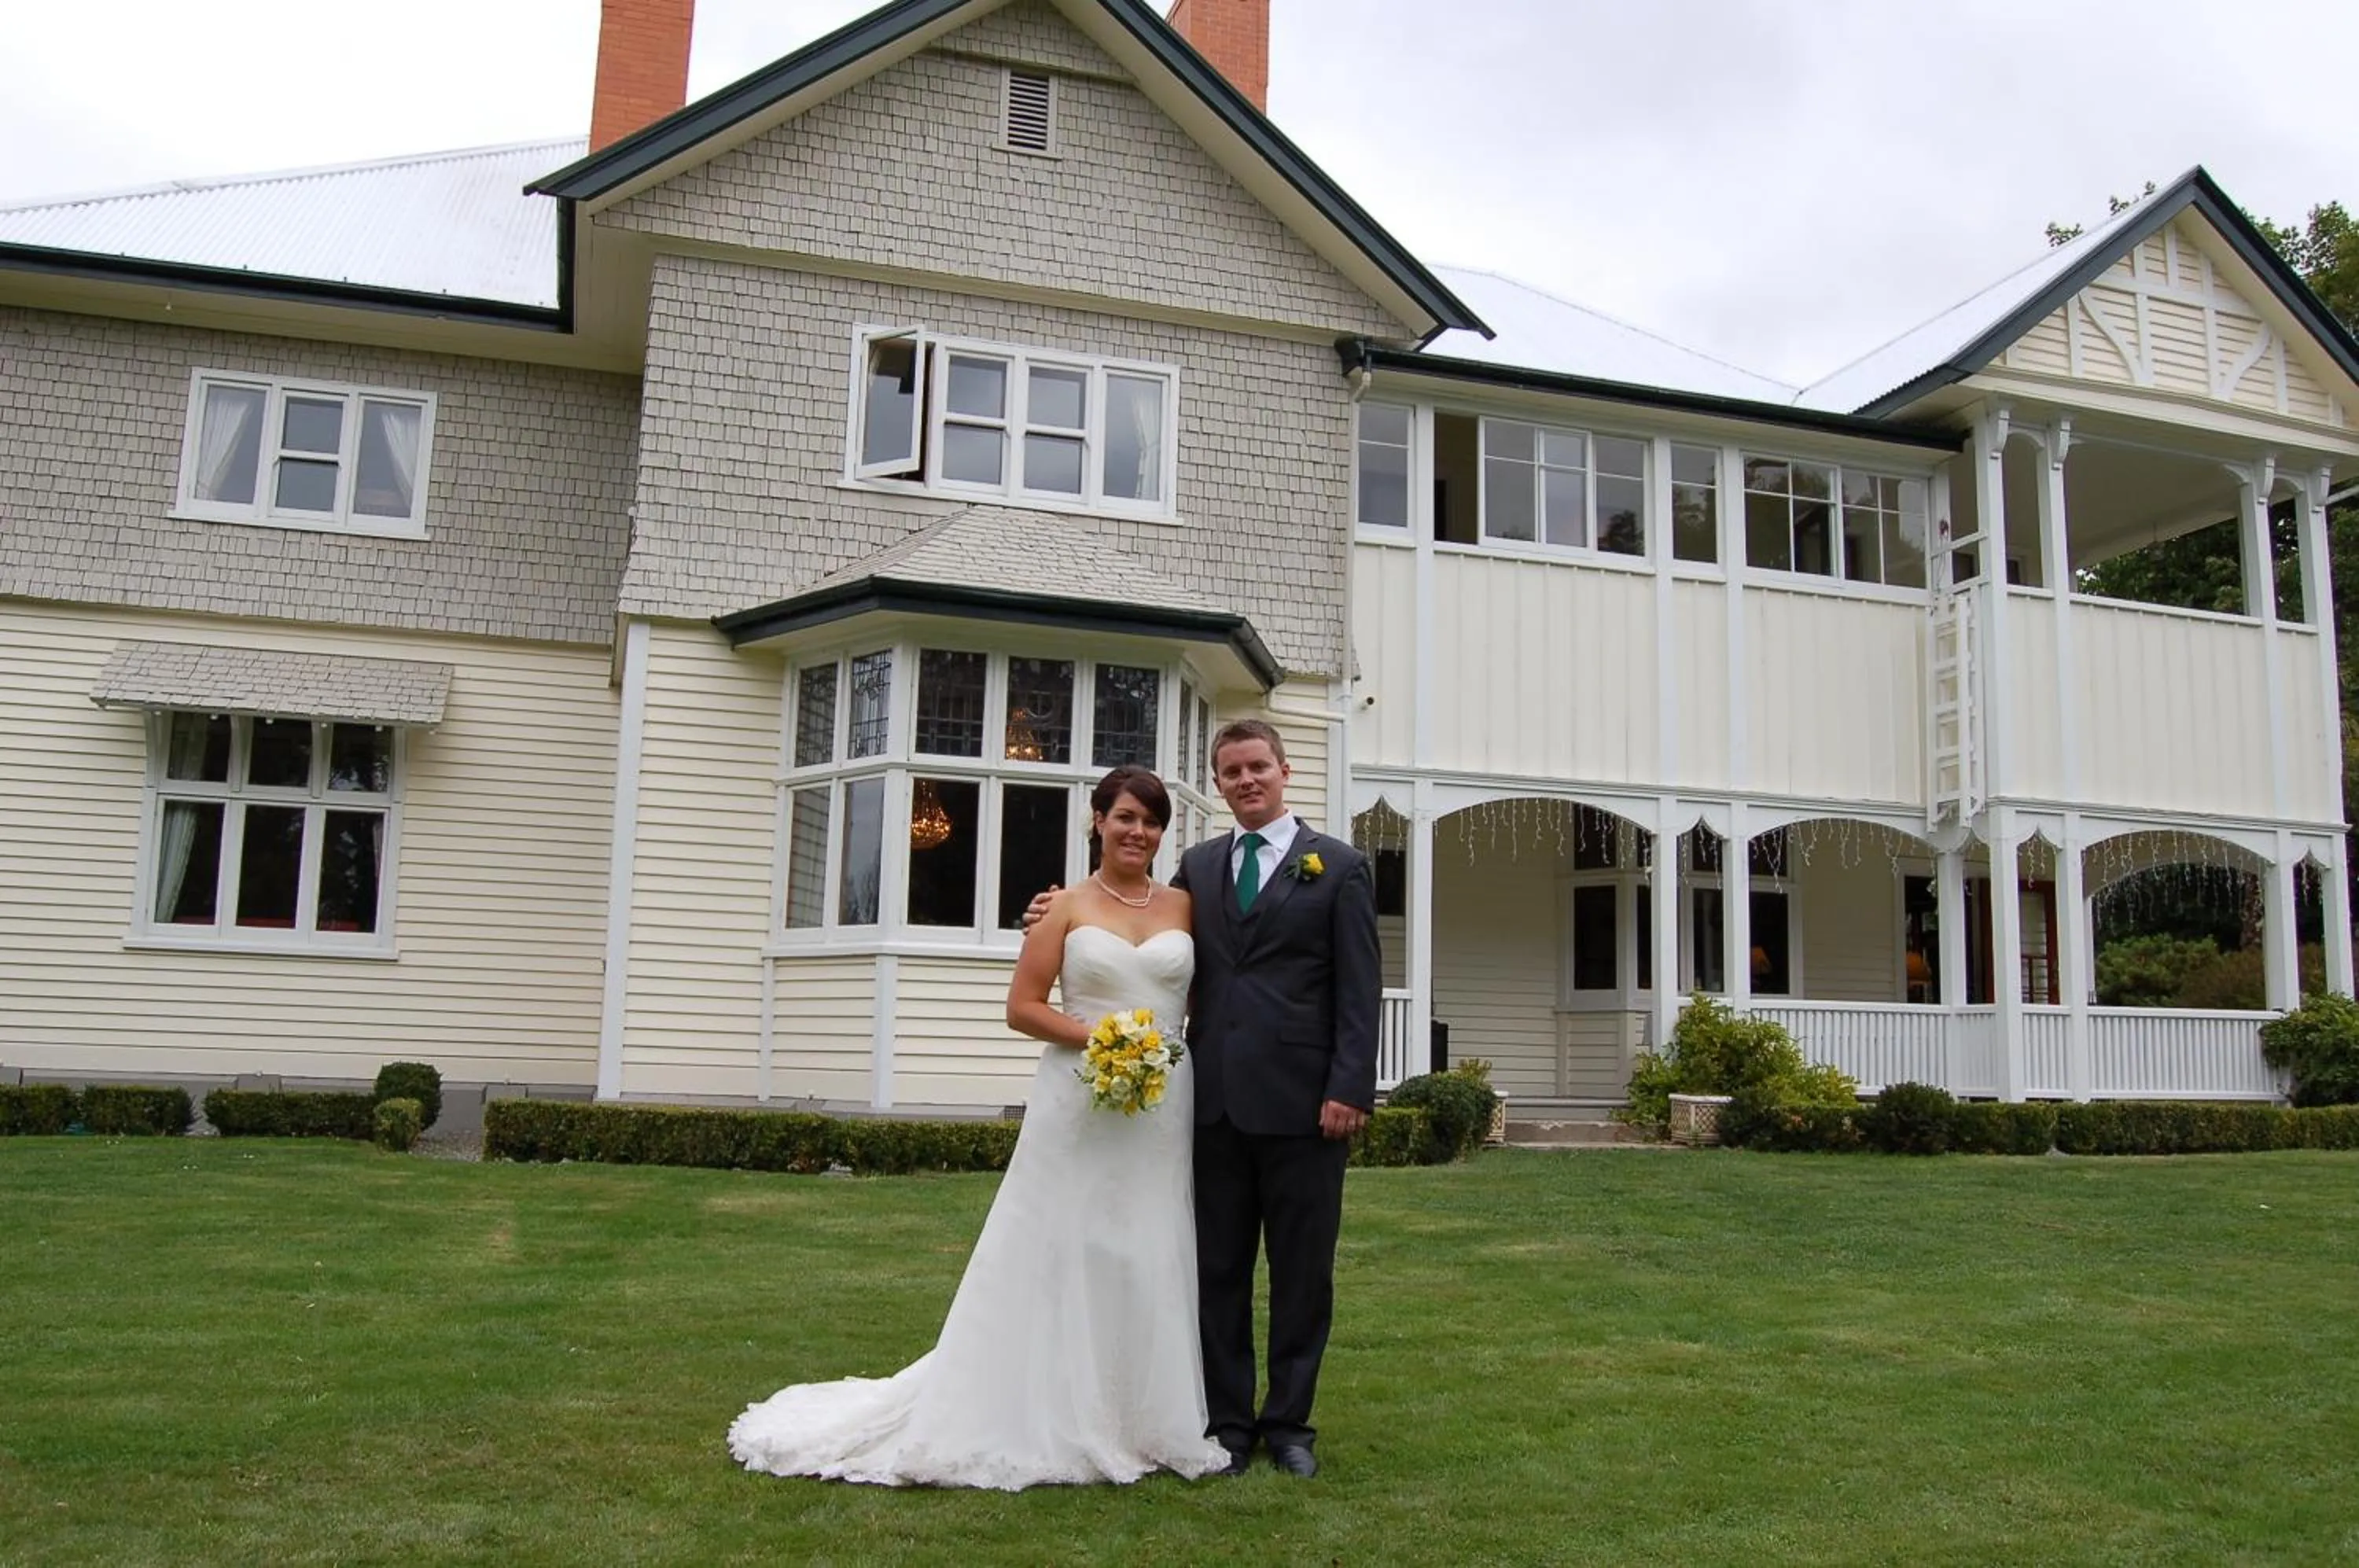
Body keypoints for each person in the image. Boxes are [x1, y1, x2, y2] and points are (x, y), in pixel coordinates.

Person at [727, 765, 1232, 1489]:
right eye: (1124, 817)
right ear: (1097, 821)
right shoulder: (1063, 907)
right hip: (1080, 1096)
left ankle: (1146, 1415)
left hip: (1161, 1104)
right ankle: (1046, 1407)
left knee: (1149, 1240)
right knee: (1062, 1239)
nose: (1138, 832)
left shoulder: (1185, 906)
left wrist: (1153, 1055)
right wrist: (1100, 1040)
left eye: (1151, 822)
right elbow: (1022, 1007)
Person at [1028, 720, 1380, 1478]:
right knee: (1214, 1271)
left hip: (1305, 1107)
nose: (1246, 780)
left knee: (1301, 1272)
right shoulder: (1199, 867)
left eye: (1258, 767)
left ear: (1284, 772)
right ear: (1218, 784)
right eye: (1230, 772)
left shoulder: (1340, 868)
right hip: (1208, 1104)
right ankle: (1226, 1423)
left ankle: (1289, 1426)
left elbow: (1360, 990)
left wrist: (1349, 1087)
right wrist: (1056, 909)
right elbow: (1131, 915)